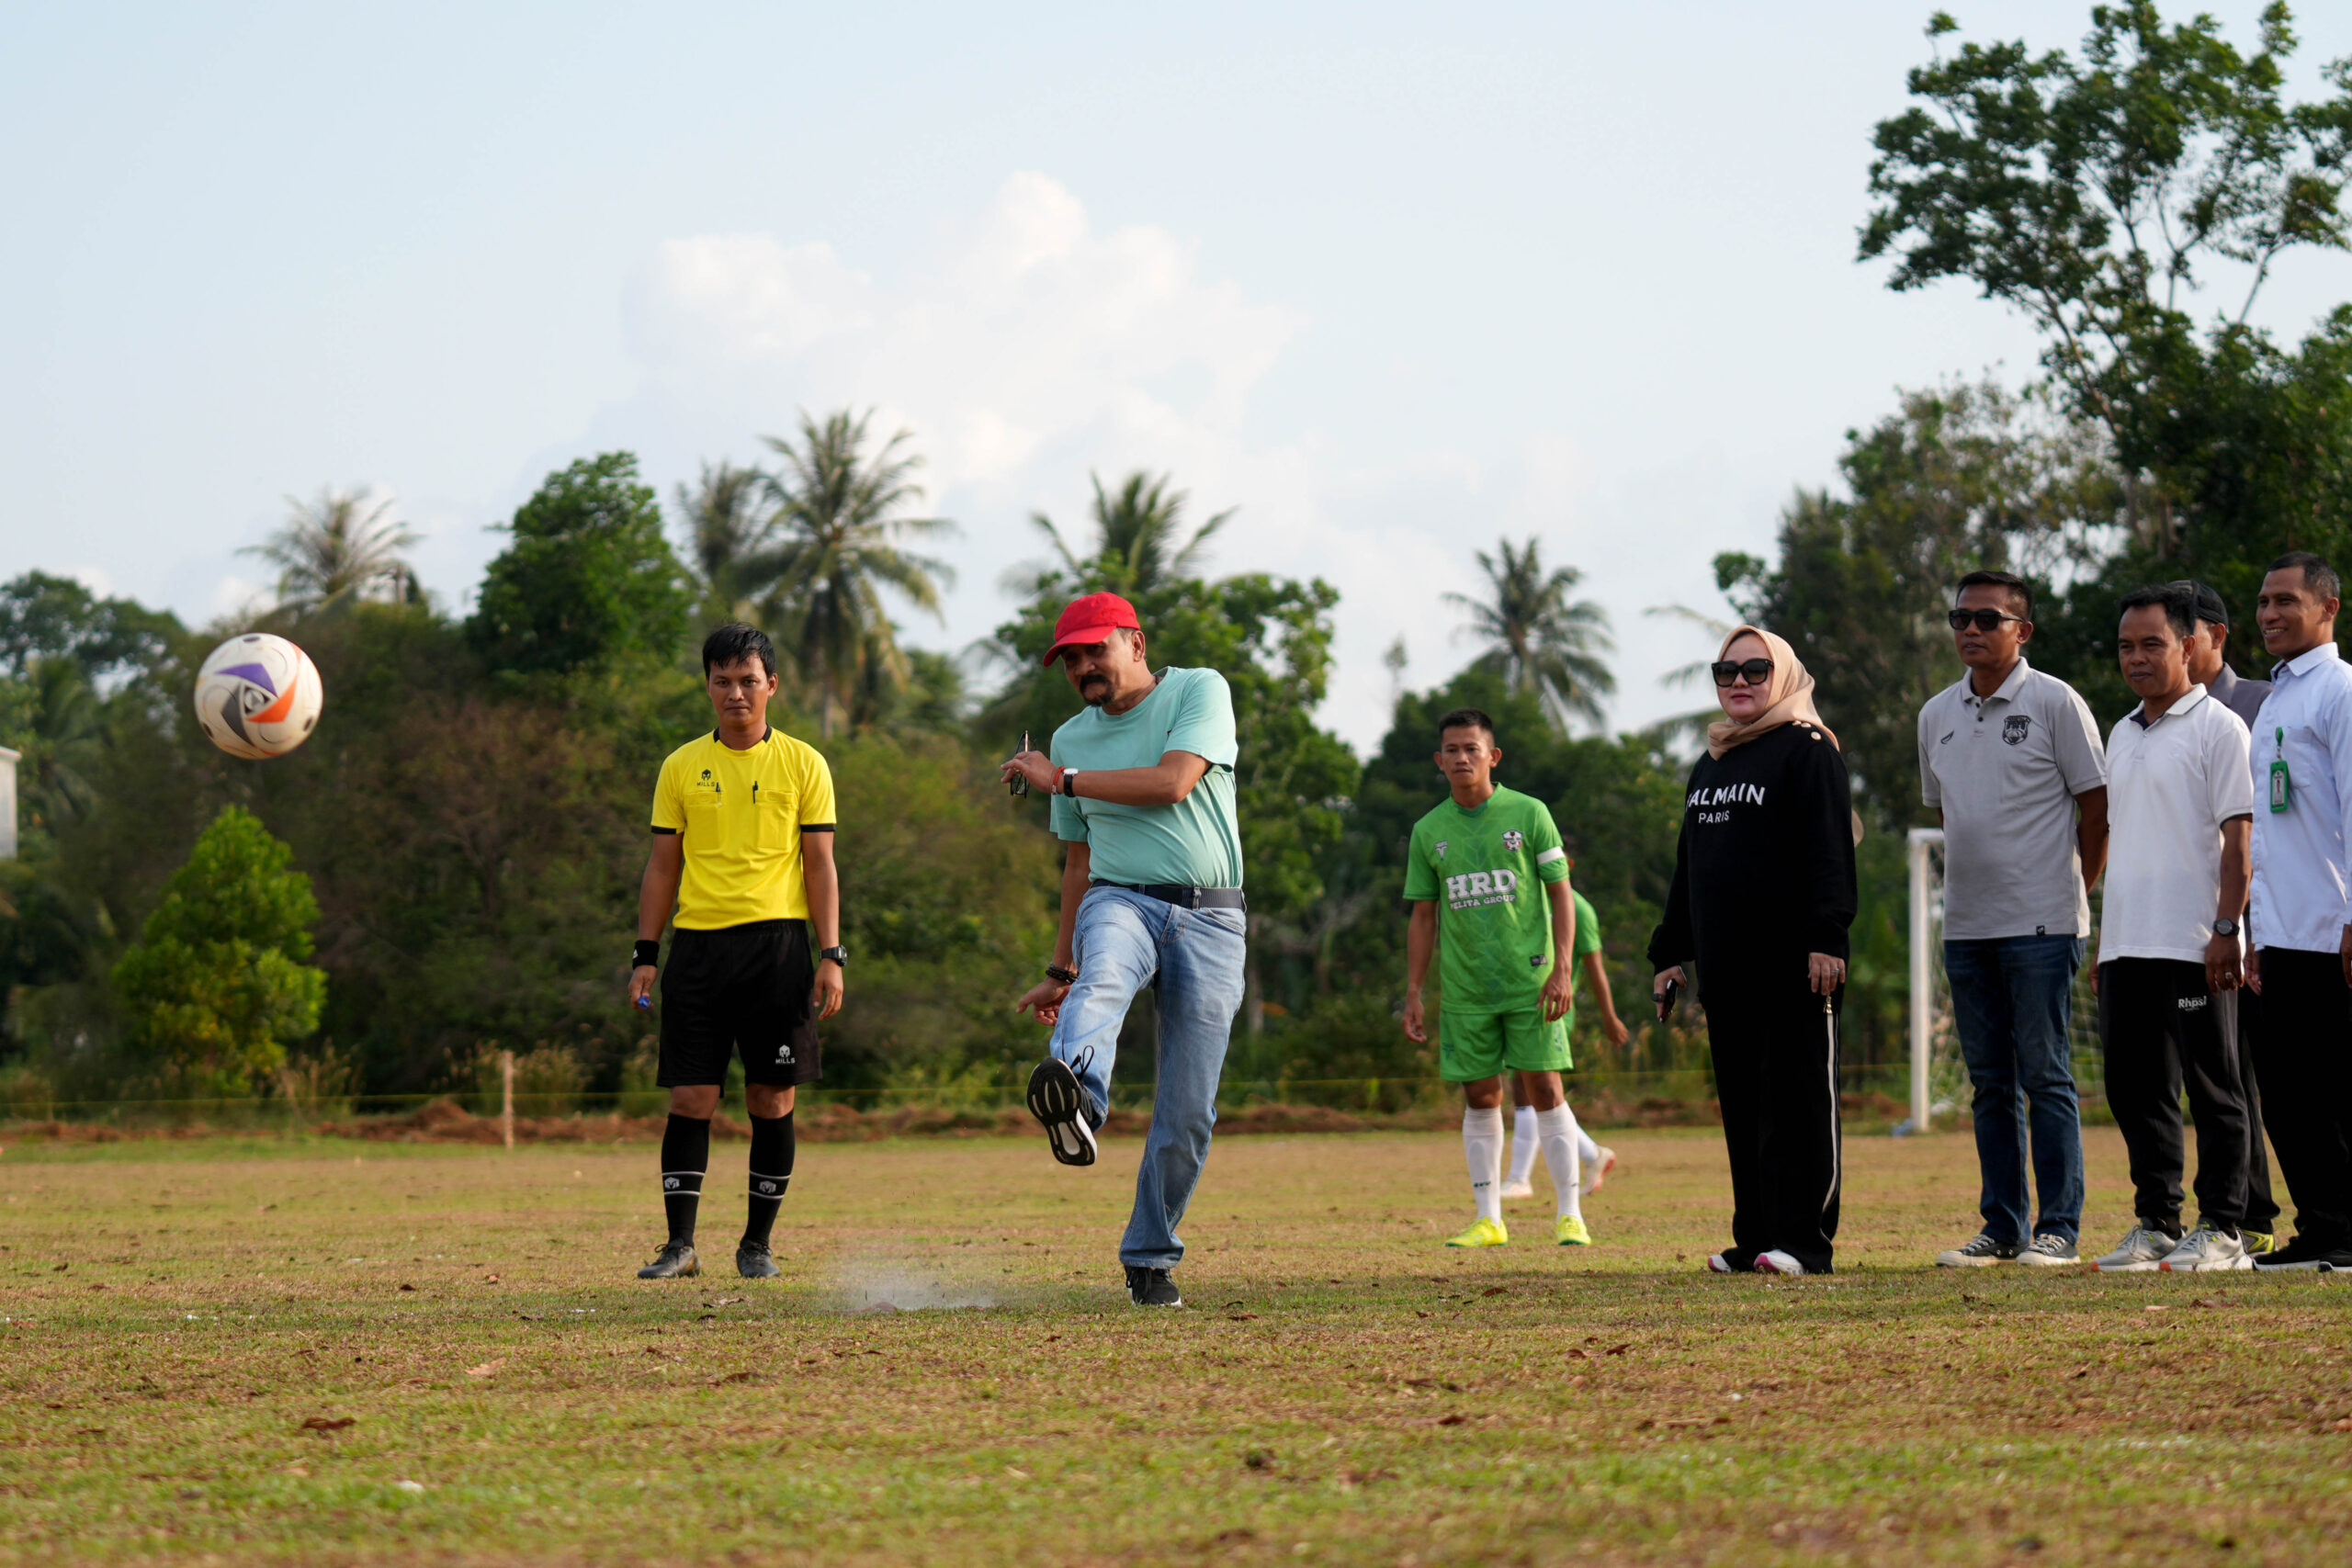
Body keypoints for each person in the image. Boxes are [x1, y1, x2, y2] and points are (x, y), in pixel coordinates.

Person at [1001, 592, 1247, 1308]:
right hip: (1120, 897)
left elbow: (1174, 783)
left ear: (1134, 643)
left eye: (1093, 650)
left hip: (1212, 918)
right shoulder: (1071, 735)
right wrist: (1058, 968)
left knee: (1189, 1108)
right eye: (1070, 659)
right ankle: (1078, 1098)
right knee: (1101, 977)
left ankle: (1149, 1257)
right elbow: (1076, 863)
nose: (1082, 667)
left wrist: (1061, 778)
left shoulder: (1199, 690)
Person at [627, 624, 845, 1281]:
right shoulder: (680, 766)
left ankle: (757, 1245)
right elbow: (662, 868)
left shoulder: (805, 763)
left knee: (771, 1099)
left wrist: (832, 953)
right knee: (691, 1097)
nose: (736, 693)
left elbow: (821, 866)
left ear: (772, 685)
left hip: (778, 950)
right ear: (707, 686)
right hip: (696, 951)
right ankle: (679, 1246)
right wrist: (646, 953)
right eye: (722, 681)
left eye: (748, 680)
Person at [1648, 626, 1856, 1277]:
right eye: (1726, 670)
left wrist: (1827, 935)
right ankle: (1756, 1238)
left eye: (1755, 669)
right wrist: (1669, 950)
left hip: (1796, 968)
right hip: (1728, 970)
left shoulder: (1808, 749)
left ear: (1785, 675)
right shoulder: (1712, 762)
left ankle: (1804, 1242)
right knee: (1745, 1111)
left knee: (1799, 1107)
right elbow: (1691, 866)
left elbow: (1830, 849)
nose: (1739, 681)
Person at [1920, 570, 2108, 1269]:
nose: (1970, 629)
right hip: (1966, 926)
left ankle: (2058, 1226)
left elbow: (2097, 810)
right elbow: (1947, 814)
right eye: (1959, 618)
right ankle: (2002, 1225)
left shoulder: (2057, 703)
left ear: (2021, 630)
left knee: (2046, 1075)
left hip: (2043, 925)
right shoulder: (1935, 714)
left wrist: (2070, 892)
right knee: (1989, 1082)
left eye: (1987, 619)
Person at [2089, 585, 2257, 1273]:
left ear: (2189, 645)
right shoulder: (2122, 730)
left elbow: (2239, 844)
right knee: (2136, 1089)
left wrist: (2226, 928)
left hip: (2196, 943)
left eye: (2152, 643)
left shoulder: (2220, 728)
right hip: (2128, 944)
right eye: (2127, 646)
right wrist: (2107, 944)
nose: (2137, 657)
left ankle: (2224, 1227)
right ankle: (2156, 1221)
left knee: (2214, 1085)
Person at [1399, 709, 1590, 1248]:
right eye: (1452, 751)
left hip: (1531, 984)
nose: (1462, 758)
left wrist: (1562, 968)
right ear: (1439, 761)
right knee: (1480, 1096)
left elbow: (1561, 894)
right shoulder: (1428, 831)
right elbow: (1423, 916)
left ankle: (1570, 1215)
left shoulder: (1529, 814)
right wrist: (1414, 992)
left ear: (1493, 756)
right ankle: (1489, 1219)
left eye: (1472, 749)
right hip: (1465, 991)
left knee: (1546, 1089)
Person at [2245, 553, 2352, 1271]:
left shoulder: (2340, 690)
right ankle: (2320, 1225)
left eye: (2286, 600)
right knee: (2286, 1094)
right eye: (2262, 602)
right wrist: (2252, 930)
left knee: (2336, 1090)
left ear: (2328, 608)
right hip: (2277, 932)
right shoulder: (2278, 696)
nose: (2270, 614)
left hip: (2331, 929)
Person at [2173, 578, 2279, 1256]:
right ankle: (2255, 1216)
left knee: (2281, 1077)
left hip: (2268, 924)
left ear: (2215, 636)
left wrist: (2249, 926)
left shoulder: (2261, 706)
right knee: (2228, 1072)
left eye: (2186, 632)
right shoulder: (2158, 718)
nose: (2175, 647)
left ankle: (2313, 1218)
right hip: (2199, 928)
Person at [1500, 875, 1626, 1201]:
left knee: (1528, 1088)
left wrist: (1609, 1017)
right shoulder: (1526, 900)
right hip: (1521, 1004)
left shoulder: (1577, 908)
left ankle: (1519, 1178)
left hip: (1553, 1010)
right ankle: (1592, 1153)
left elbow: (1595, 966)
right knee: (1540, 1093)